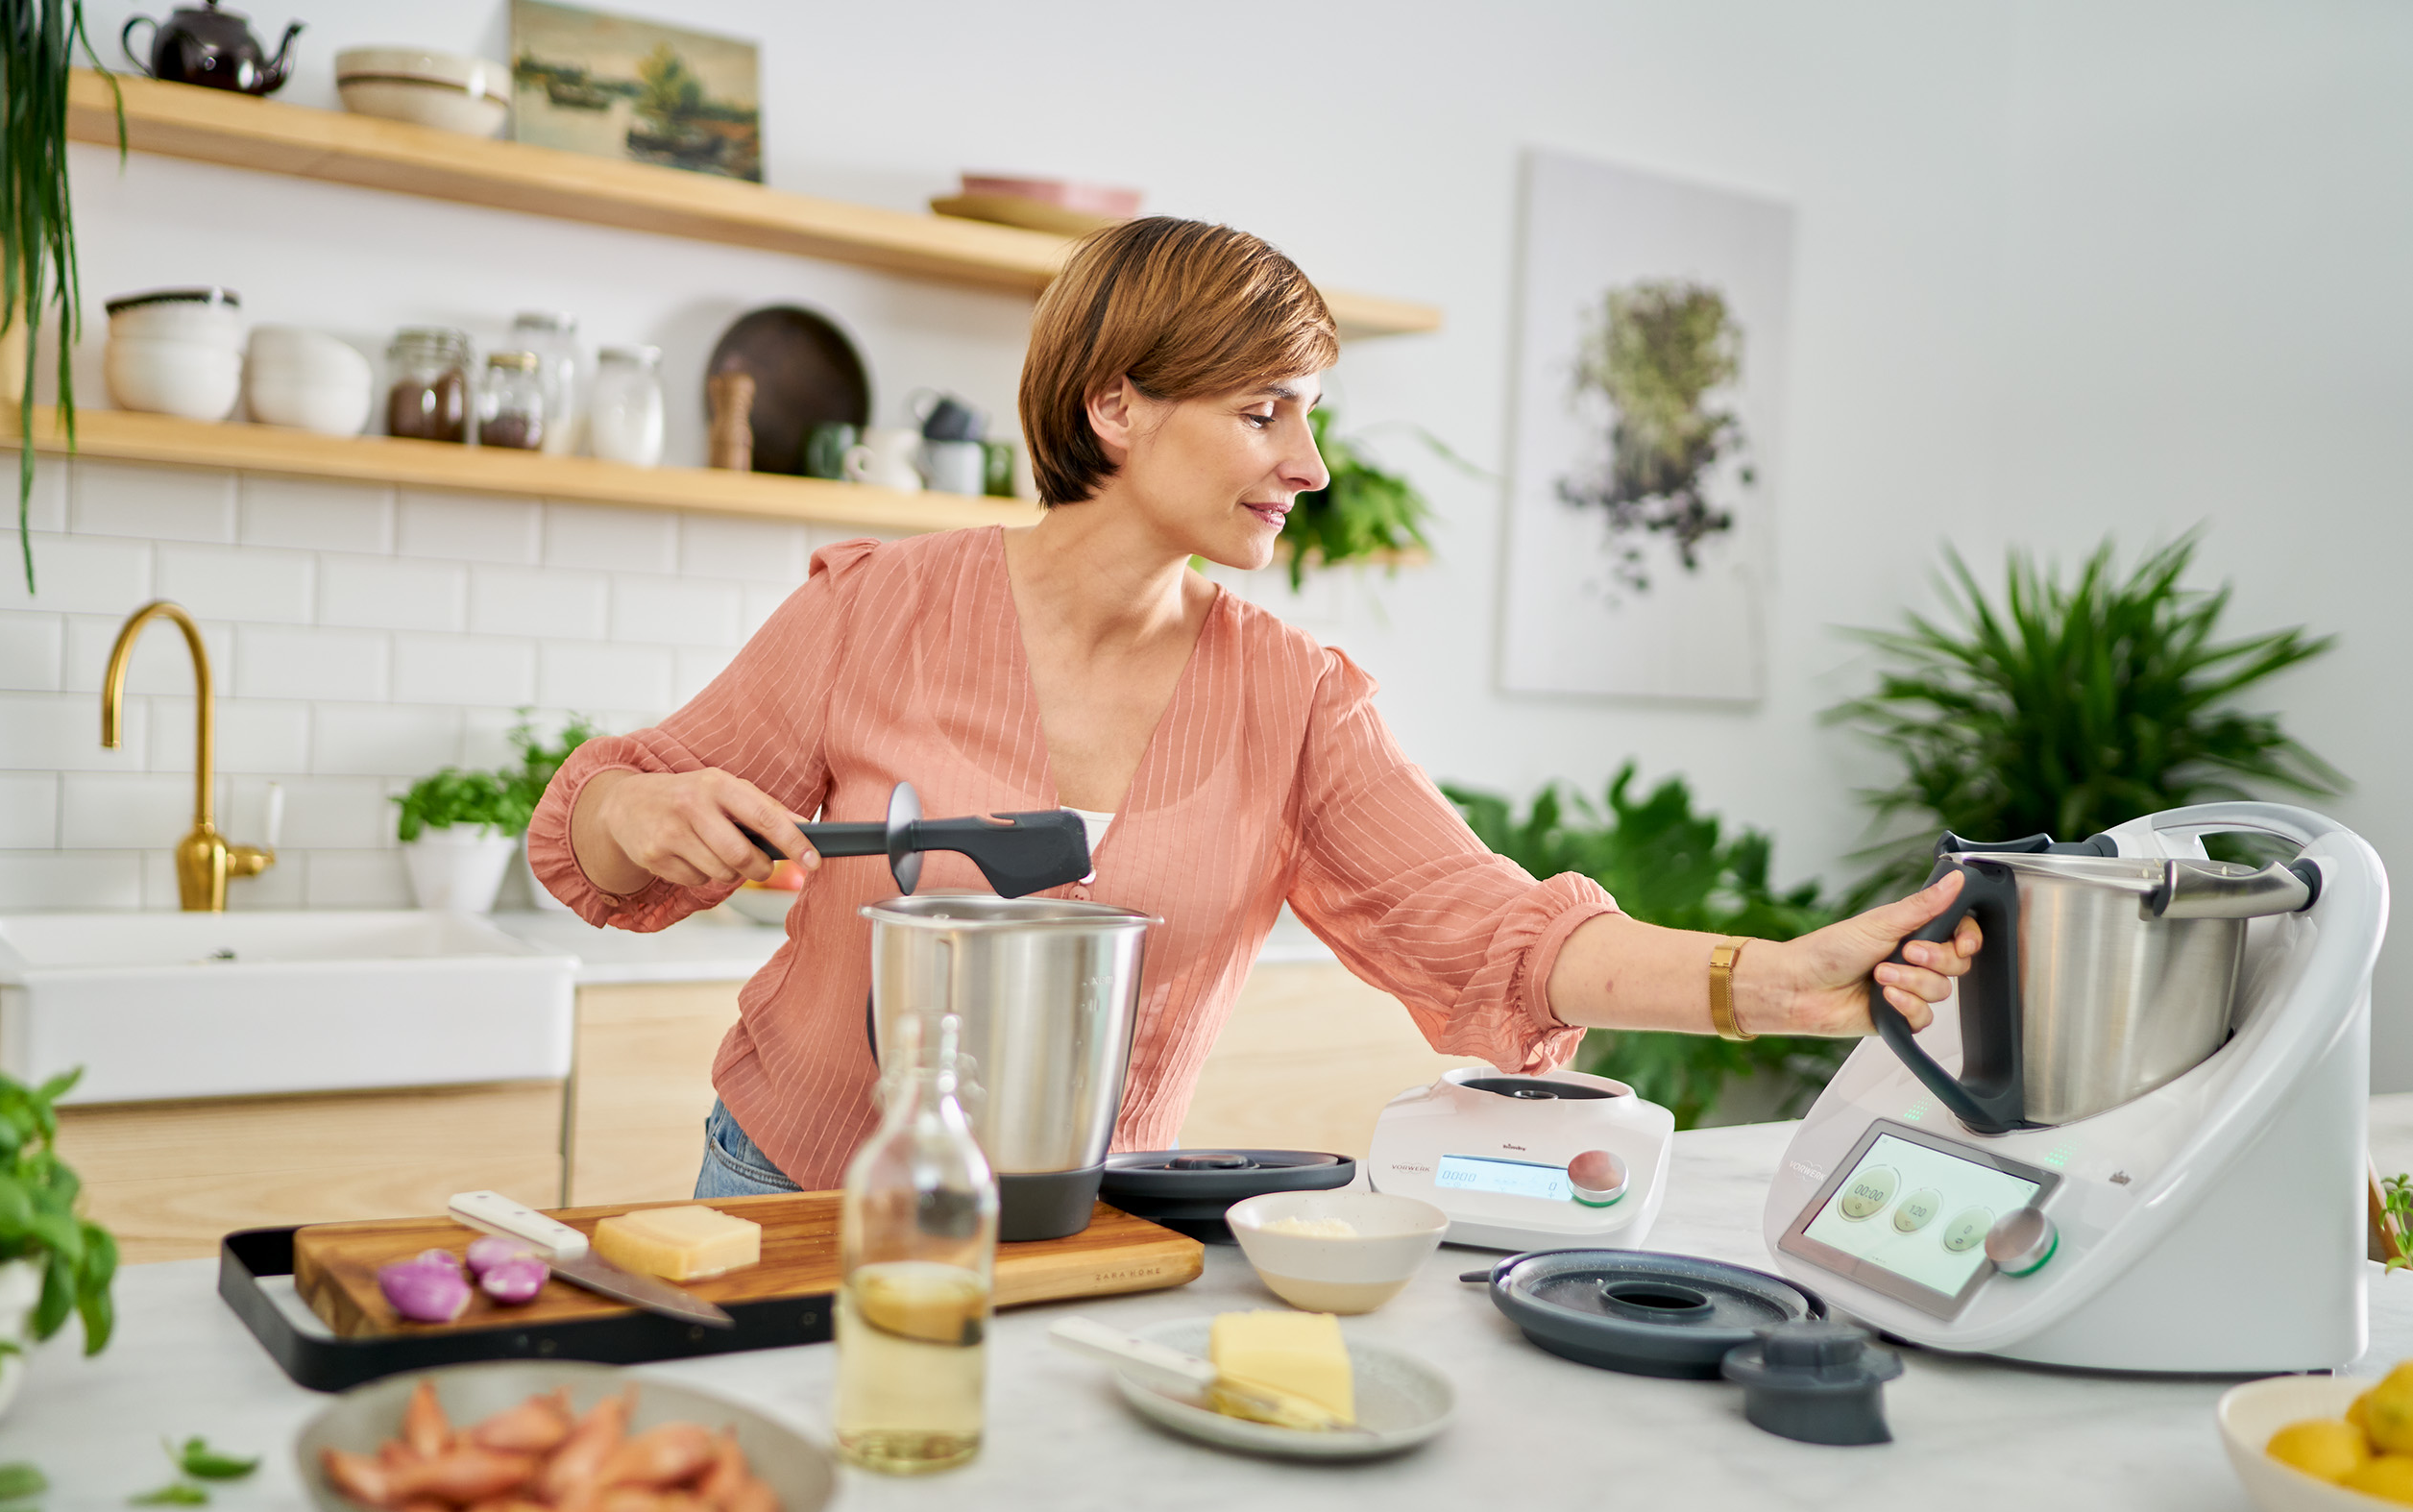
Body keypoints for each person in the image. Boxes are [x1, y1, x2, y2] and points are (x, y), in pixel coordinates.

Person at [528, 218, 1979, 1201]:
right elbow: (601, 825)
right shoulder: (879, 610)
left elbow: (1488, 931)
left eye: (1314, 414)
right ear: (1115, 408)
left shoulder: (1291, 698)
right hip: (791, 1198)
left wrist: (1774, 983)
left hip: (1089, 1223)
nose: (1311, 463)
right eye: (1265, 410)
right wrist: (640, 812)